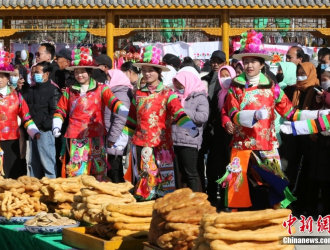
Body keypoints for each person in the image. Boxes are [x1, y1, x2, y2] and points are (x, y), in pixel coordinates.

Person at [219, 30, 325, 211]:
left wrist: (316, 115)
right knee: (242, 192)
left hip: (266, 146)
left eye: (253, 61)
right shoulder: (236, 86)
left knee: (268, 191)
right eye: (246, 61)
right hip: (242, 146)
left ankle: (267, 229)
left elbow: (290, 113)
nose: (249, 65)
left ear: (262, 64)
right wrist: (252, 116)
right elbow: (234, 113)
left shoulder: (272, 87)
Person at [114, 45, 198, 201]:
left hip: (162, 146)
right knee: (145, 184)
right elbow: (132, 119)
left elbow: (178, 111)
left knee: (165, 185)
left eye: (150, 70)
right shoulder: (138, 94)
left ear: (159, 72)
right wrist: (122, 140)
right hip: (141, 144)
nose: (146, 73)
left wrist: (188, 125)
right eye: (144, 70)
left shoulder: (168, 93)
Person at [52, 48, 129, 181]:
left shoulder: (101, 88)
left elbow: (112, 101)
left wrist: (122, 110)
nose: (79, 75)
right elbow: (60, 109)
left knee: (98, 169)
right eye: (76, 72)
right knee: (77, 169)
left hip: (96, 135)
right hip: (75, 136)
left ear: (90, 72)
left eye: (82, 72)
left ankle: (97, 198)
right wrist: (57, 124)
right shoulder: (69, 91)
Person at [0, 63, 40, 179]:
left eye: (3, 76)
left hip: (12, 139)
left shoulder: (16, 96)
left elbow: (26, 116)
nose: (0, 79)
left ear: (8, 78)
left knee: (12, 173)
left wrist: (34, 131)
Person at [171, 71, 209, 192]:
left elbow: (202, 117)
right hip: (174, 139)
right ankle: (182, 200)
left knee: (191, 173)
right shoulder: (175, 96)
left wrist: (182, 110)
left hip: (190, 139)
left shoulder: (200, 97)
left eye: (181, 85)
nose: (179, 88)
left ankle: (196, 200)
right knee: (179, 174)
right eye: (176, 85)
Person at [24, 62, 62, 179]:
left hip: (45, 131)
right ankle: (34, 188)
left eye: (38, 72)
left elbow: (55, 112)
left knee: (48, 162)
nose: (35, 75)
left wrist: (45, 125)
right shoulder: (32, 89)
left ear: (46, 74)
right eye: (34, 72)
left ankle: (51, 189)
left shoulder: (53, 90)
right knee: (32, 163)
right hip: (33, 130)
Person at [197, 50, 227, 193]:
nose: (216, 64)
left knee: (219, 160)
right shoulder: (205, 78)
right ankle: (207, 189)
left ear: (225, 63)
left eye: (219, 61)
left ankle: (220, 190)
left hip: (222, 127)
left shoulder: (229, 81)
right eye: (213, 61)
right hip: (206, 124)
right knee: (207, 159)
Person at [206, 65, 236, 207]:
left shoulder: (236, 92)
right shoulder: (218, 93)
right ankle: (212, 196)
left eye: (227, 75)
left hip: (231, 135)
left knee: (228, 166)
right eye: (222, 75)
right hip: (217, 134)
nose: (225, 78)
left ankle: (227, 199)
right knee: (214, 166)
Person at [104, 69, 133, 183]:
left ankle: (117, 193)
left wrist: (112, 138)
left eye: (108, 78)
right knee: (114, 166)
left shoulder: (120, 93)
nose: (106, 81)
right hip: (114, 134)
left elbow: (120, 118)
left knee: (114, 168)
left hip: (117, 137)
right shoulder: (114, 91)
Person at [274, 62, 297, 145]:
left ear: (289, 72)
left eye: (280, 70)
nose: (278, 72)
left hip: (287, 127)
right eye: (278, 70)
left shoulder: (294, 89)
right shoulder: (278, 87)